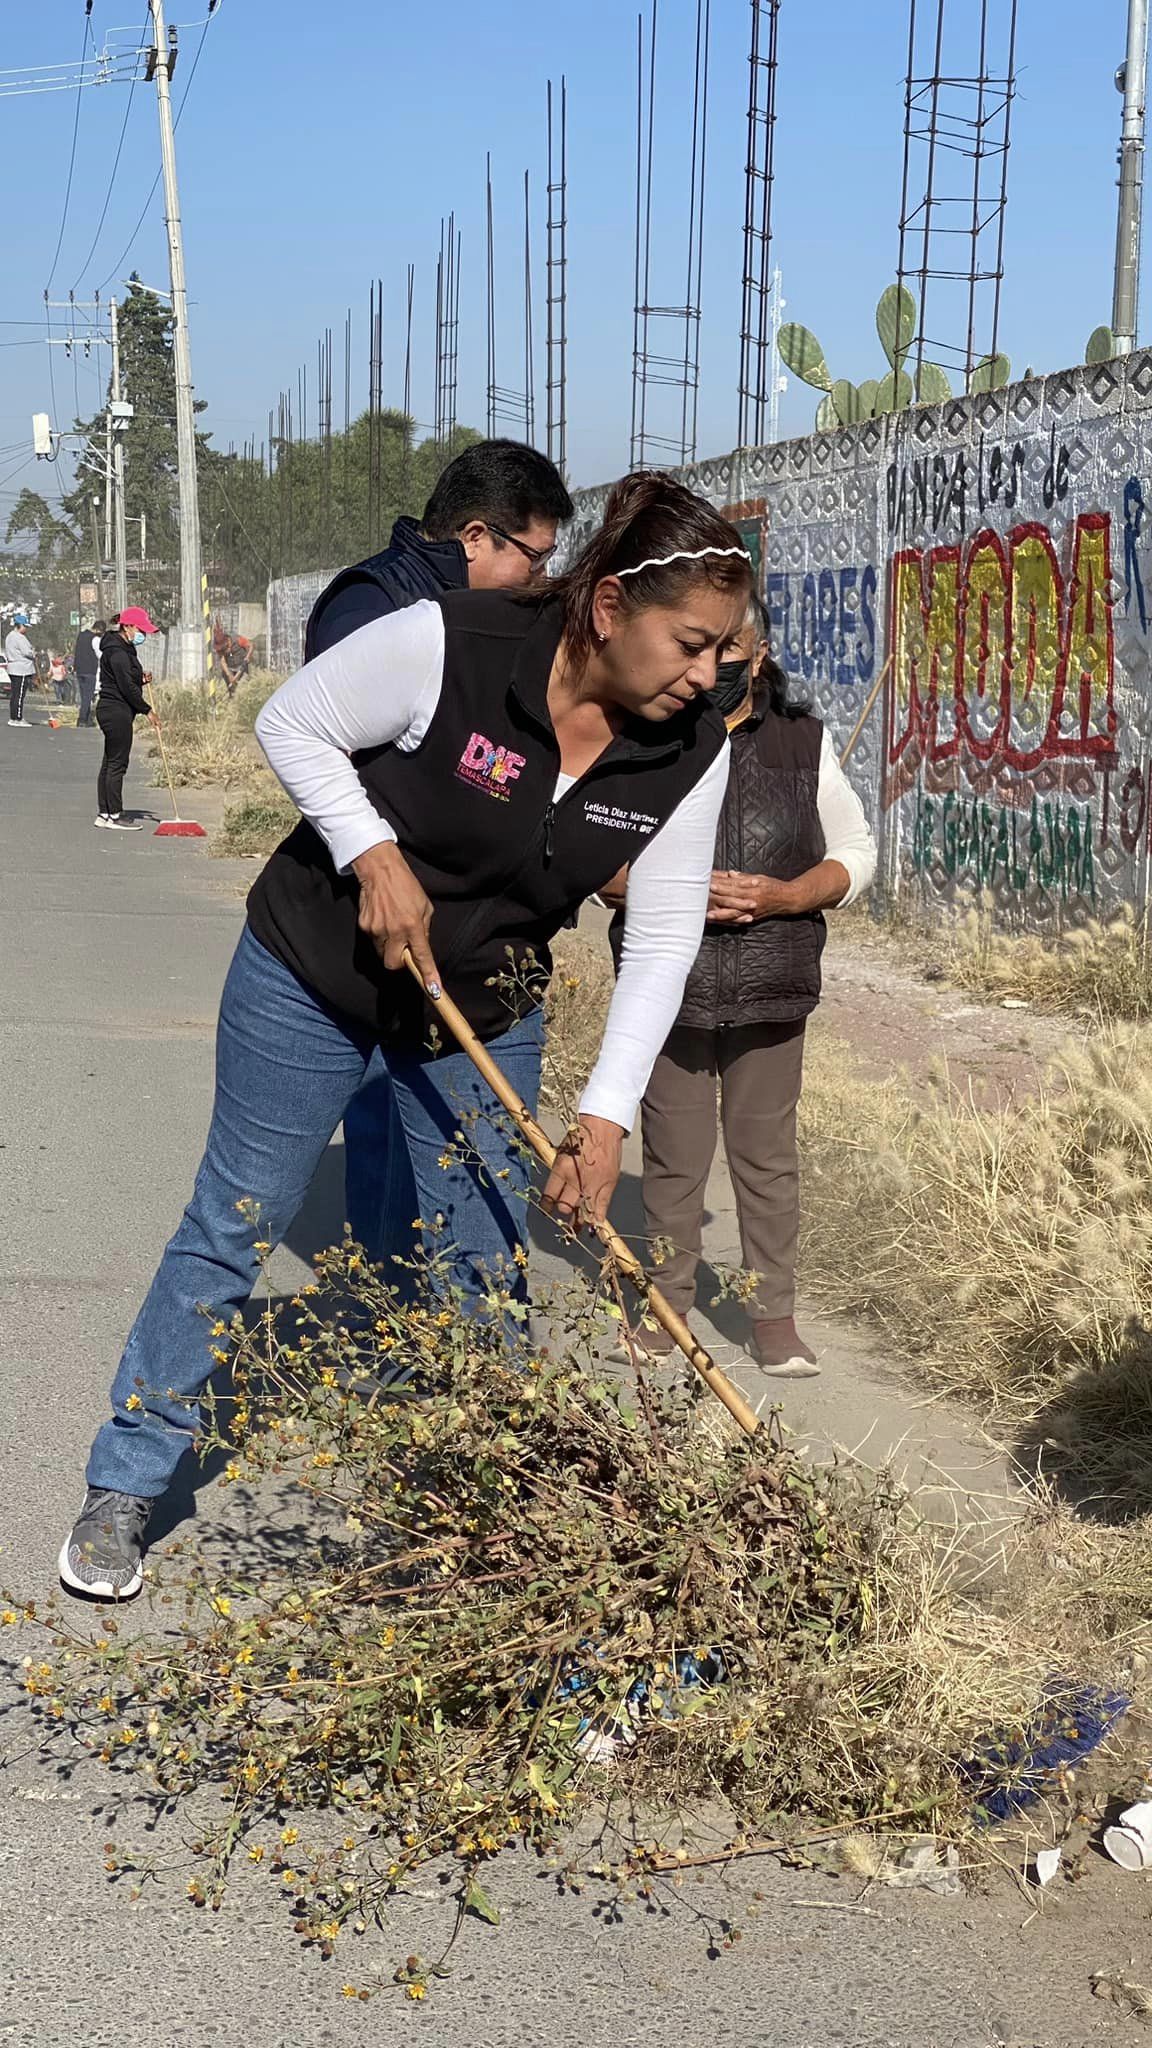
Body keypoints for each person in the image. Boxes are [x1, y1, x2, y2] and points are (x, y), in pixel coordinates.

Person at [59, 471, 754, 1599]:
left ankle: (489, 1527)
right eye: (689, 642)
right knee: (237, 1219)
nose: (704, 674)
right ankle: (127, 1478)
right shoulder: (458, 642)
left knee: (480, 1263)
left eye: (721, 651)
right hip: (314, 976)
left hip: (481, 1006)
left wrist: (603, 1115)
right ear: (611, 607)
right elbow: (291, 721)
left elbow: (665, 932)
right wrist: (371, 852)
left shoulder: (691, 747)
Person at [307, 438, 575, 1272]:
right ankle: (386, 1316)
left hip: (462, 931)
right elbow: (329, 755)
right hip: (378, 921)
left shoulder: (500, 625)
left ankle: (430, 1332)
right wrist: (389, 866)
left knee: (455, 1150)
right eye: (532, 557)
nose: (540, 579)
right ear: (474, 537)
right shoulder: (375, 607)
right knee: (384, 1119)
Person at [605, 596, 876, 1379]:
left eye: (735, 648)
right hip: (669, 983)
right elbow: (594, 857)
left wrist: (783, 896)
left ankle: (773, 1319)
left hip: (771, 982)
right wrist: (662, 891)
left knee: (765, 1155)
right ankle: (667, 1311)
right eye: (706, 644)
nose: (717, 663)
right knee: (674, 1155)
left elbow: (857, 853)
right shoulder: (645, 736)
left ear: (759, 656)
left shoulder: (802, 744)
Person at [95, 607, 160, 830]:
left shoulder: (121, 649)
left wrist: (141, 679)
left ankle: (104, 813)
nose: (143, 634)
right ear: (128, 626)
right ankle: (114, 814)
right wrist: (147, 710)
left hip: (113, 708)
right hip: (116, 711)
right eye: (141, 629)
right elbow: (125, 687)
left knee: (109, 762)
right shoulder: (119, 653)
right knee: (117, 764)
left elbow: (126, 680)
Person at [4, 613, 36, 727]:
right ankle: (17, 718)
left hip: (13, 668)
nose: (26, 629)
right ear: (19, 625)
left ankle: (13, 717)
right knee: (19, 695)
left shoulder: (9, 636)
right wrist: (33, 653)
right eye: (25, 626)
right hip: (21, 669)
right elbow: (27, 652)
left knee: (15, 694)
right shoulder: (19, 637)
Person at [73, 618, 101, 726]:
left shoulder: (81, 636)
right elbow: (100, 654)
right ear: (99, 630)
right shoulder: (95, 639)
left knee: (84, 695)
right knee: (87, 697)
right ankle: (82, 719)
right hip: (90, 670)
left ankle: (88, 718)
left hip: (79, 669)